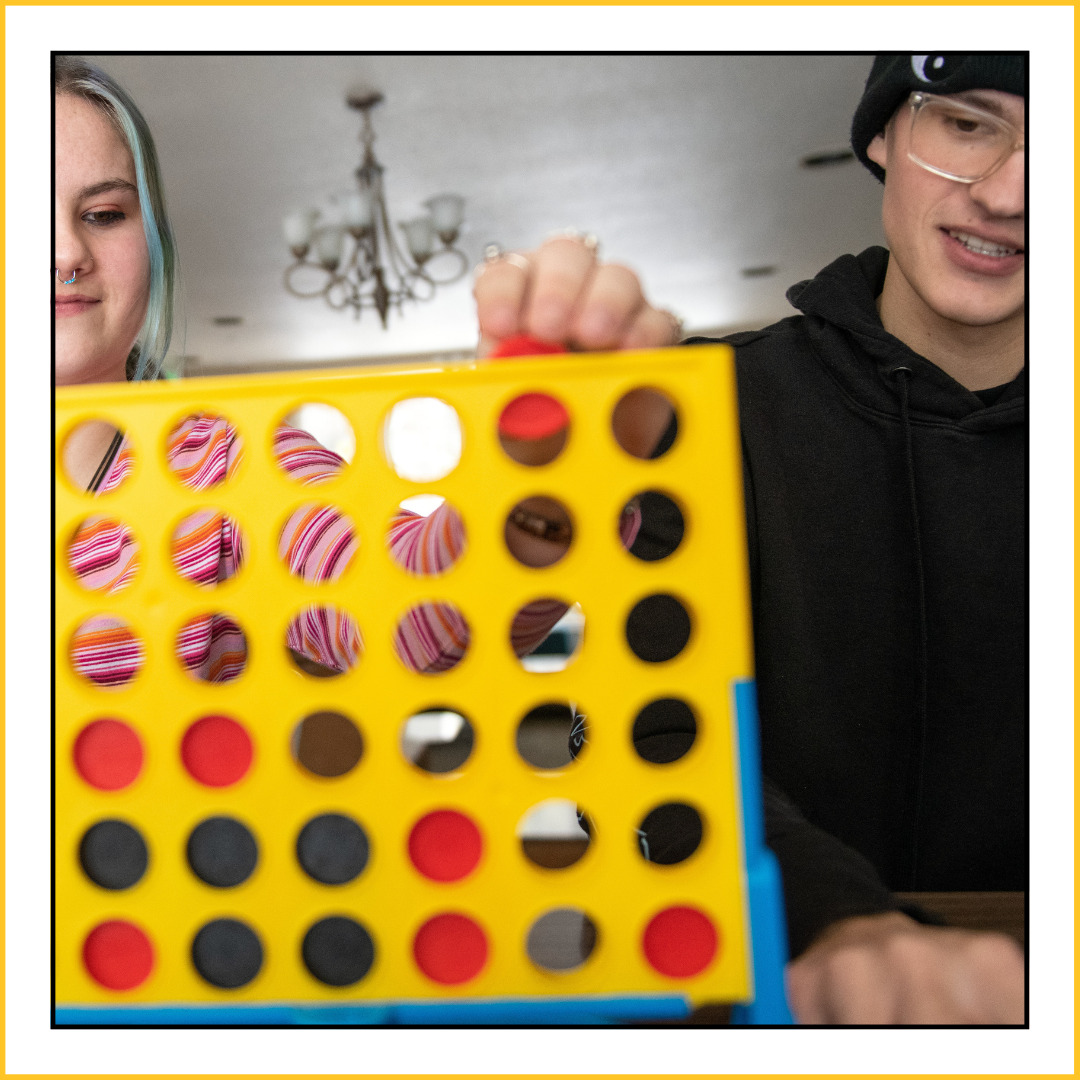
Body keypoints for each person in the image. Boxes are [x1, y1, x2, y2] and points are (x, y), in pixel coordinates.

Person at [473, 53, 1026, 1024]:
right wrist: (834, 925)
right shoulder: (707, 407)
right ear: (884, 134)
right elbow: (648, 720)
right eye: (968, 125)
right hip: (762, 988)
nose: (1012, 194)